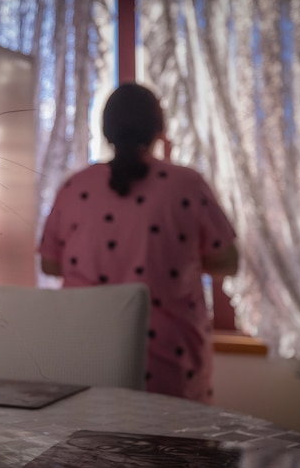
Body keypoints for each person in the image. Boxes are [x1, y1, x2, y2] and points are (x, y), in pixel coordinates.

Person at [38, 82, 238, 403]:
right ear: (159, 128)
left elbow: (49, 263)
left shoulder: (75, 186)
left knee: (84, 449)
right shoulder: (186, 184)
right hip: (169, 363)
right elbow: (228, 261)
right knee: (174, 450)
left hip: (84, 354)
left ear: (106, 131)